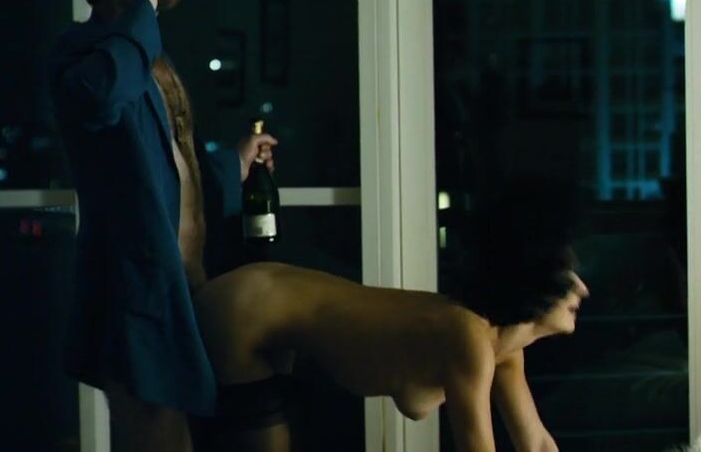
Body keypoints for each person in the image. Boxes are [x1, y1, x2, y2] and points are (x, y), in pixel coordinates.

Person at [49, 0, 277, 452]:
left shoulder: (148, 55)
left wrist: (235, 163)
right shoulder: (84, 55)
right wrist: (141, 8)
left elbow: (171, 171)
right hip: (134, 298)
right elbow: (102, 98)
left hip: (186, 289)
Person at [191, 179, 590, 452]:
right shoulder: (467, 336)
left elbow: (537, 443)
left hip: (271, 304)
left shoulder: (505, 350)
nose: (584, 290)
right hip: (247, 306)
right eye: (571, 279)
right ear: (539, 282)